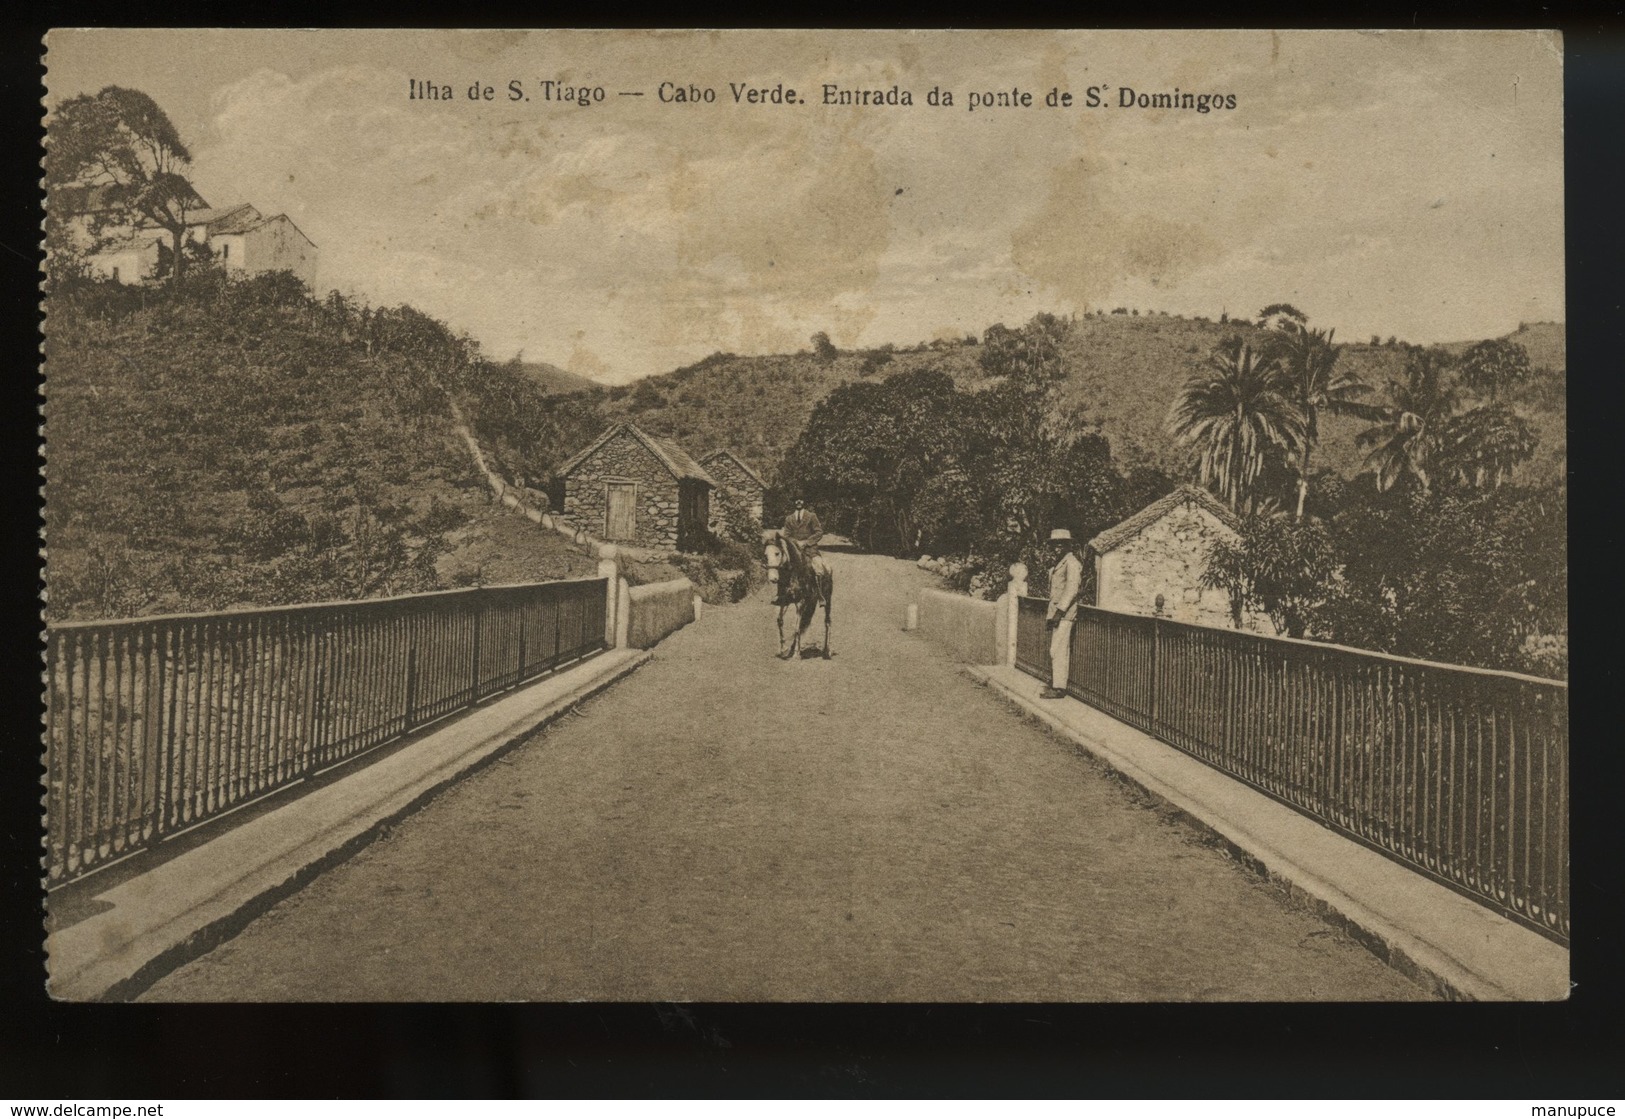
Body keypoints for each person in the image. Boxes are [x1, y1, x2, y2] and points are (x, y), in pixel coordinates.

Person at [1041, 528, 1085, 699]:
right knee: (1055, 649)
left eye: (1061, 544)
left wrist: (1059, 612)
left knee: (1058, 649)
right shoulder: (1060, 563)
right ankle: (1056, 683)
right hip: (1057, 614)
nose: (1057, 547)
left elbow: (1072, 589)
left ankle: (1059, 688)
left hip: (1065, 614)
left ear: (1068, 545)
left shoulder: (1071, 563)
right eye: (1054, 544)